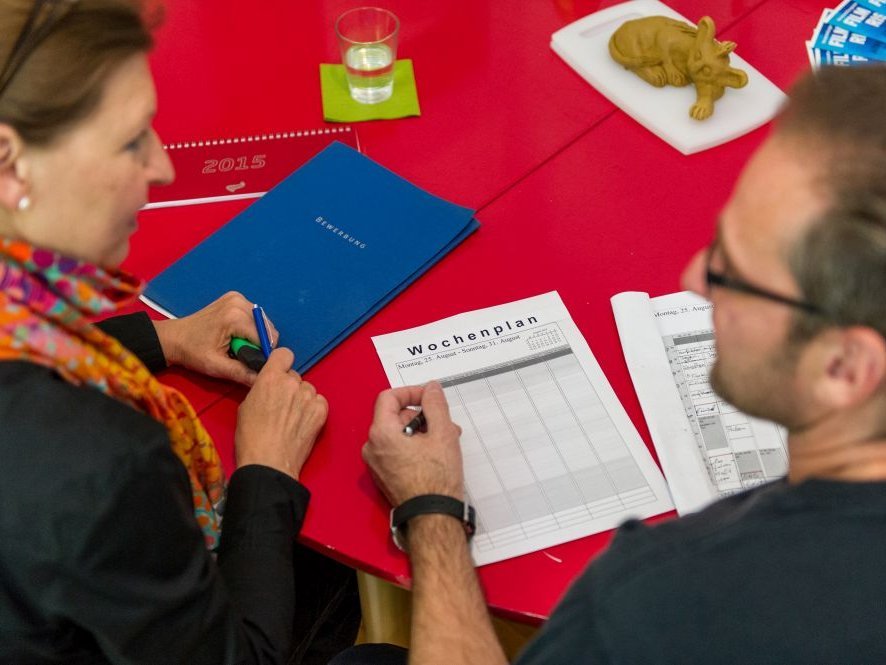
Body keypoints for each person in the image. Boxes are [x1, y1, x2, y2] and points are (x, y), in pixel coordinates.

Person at [345, 64, 886, 664]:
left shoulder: (665, 601)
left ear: (845, 367)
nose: (692, 281)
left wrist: (431, 509)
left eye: (732, 270)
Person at [0, 1, 357, 662]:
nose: (163, 168)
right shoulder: (103, 470)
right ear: (11, 162)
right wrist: (266, 467)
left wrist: (163, 340)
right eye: (133, 140)